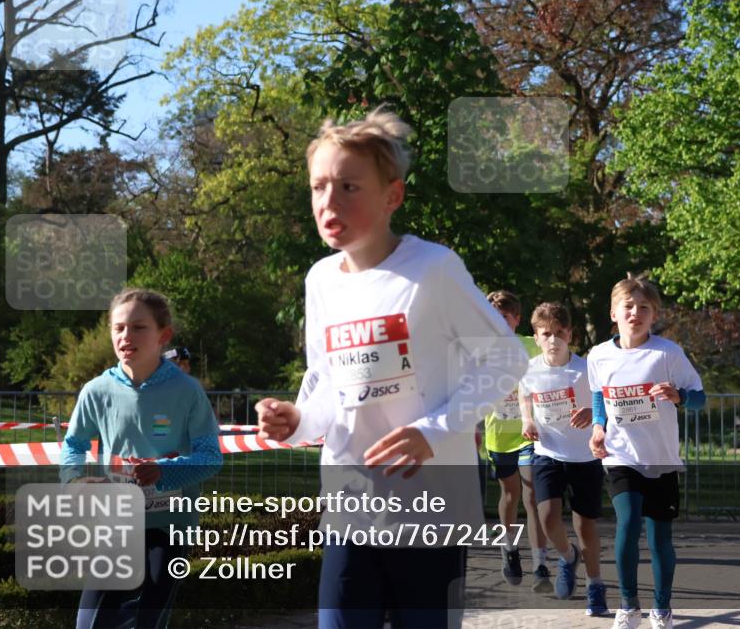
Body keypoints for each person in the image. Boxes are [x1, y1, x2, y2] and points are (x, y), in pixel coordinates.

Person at [254, 108, 528, 629]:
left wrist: (433, 430)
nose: (329, 201)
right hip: (350, 506)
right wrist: (298, 421)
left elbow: (506, 358)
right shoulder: (320, 280)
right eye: (318, 187)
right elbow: (328, 383)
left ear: (392, 196)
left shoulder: (433, 269)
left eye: (349, 187)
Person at [61, 288, 223, 629]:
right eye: (118, 328)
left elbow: (210, 457)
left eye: (138, 327)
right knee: (90, 623)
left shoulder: (187, 391)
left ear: (164, 335)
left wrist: (163, 472)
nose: (126, 336)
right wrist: (74, 480)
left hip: (170, 525)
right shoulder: (96, 391)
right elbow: (73, 444)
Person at [588, 277, 705, 629]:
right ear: (614, 313)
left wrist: (679, 396)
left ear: (654, 315)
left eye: (643, 308)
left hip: (661, 457)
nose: (635, 313)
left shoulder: (667, 353)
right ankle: (628, 606)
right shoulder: (599, 355)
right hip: (621, 455)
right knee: (627, 523)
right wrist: (598, 427)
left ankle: (661, 607)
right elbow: (599, 395)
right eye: (628, 306)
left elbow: (699, 397)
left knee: (659, 538)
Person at [520, 302, 607, 616]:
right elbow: (525, 393)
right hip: (548, 452)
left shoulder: (585, 369)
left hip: (584, 456)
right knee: (547, 517)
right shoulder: (529, 368)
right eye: (546, 334)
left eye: (559, 333)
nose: (553, 339)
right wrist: (527, 419)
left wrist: (592, 412)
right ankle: (568, 556)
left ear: (570, 334)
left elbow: (605, 399)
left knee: (585, 525)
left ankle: (595, 585)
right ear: (537, 337)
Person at [484, 290, 552, 592]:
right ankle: (509, 548)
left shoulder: (531, 346)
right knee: (510, 495)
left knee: (532, 495)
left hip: (529, 431)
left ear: (517, 319)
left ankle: (540, 564)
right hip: (498, 435)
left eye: (504, 318)